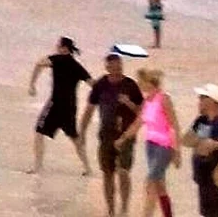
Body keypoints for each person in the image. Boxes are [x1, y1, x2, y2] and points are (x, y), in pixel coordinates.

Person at [81, 52, 143, 216]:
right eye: (114, 68)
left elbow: (142, 112)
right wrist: (82, 132)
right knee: (107, 173)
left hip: (126, 135)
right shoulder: (100, 85)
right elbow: (89, 109)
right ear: (107, 68)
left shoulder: (131, 85)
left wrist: (128, 103)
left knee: (123, 171)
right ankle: (110, 210)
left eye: (119, 67)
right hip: (106, 135)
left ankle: (124, 208)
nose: (117, 71)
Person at [119, 67, 181, 217]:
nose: (139, 85)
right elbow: (138, 123)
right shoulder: (147, 101)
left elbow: (174, 125)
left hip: (164, 146)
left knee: (150, 182)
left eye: (141, 82)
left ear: (149, 83)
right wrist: (123, 138)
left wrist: (176, 150)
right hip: (151, 146)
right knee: (160, 185)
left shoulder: (164, 99)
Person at [29, 36, 92, 175]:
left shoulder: (57, 59)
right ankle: (87, 168)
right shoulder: (77, 66)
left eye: (58, 46)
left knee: (39, 132)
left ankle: (37, 167)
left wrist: (32, 84)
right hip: (70, 106)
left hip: (55, 104)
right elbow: (92, 83)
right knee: (74, 137)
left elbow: (39, 63)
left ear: (64, 48)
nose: (57, 48)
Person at [182, 85, 218, 217]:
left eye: (202, 98)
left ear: (212, 101)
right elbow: (186, 140)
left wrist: (212, 145)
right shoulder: (201, 120)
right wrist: (203, 143)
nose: (199, 101)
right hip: (203, 178)